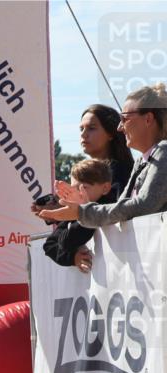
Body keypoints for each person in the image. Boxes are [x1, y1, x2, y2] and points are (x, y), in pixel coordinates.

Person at [40, 83, 167, 226]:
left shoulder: (164, 151)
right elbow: (120, 209)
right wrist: (81, 207)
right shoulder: (141, 161)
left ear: (148, 119)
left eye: (125, 119)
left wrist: (81, 211)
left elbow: (142, 206)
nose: (120, 127)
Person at [38, 104, 133, 267]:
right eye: (81, 129)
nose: (83, 134)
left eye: (91, 128)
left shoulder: (123, 171)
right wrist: (73, 258)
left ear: (111, 132)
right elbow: (52, 245)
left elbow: (105, 210)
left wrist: (79, 210)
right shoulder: (81, 172)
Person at [41, 159, 113, 273]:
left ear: (105, 188)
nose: (77, 193)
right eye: (74, 188)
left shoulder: (113, 207)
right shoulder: (74, 210)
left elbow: (67, 242)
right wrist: (73, 258)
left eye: (84, 188)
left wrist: (87, 212)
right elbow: (50, 246)